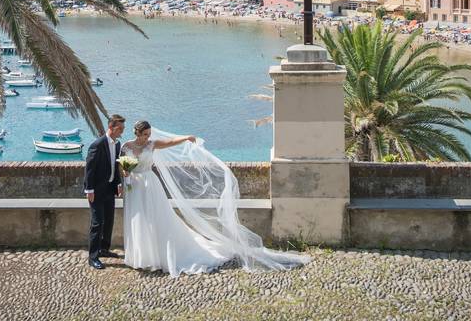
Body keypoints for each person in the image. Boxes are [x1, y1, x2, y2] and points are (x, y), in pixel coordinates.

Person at [120, 120, 309, 277]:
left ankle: (159, 255)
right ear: (137, 133)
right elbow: (121, 167)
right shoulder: (126, 147)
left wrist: (186, 137)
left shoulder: (152, 145)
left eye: (149, 134)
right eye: (145, 135)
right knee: (139, 220)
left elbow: (171, 142)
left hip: (151, 186)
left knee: (157, 218)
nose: (147, 138)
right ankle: (142, 257)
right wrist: (125, 175)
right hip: (134, 187)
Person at [84, 114, 125, 270]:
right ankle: (93, 257)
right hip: (96, 191)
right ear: (111, 127)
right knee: (97, 223)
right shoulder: (97, 144)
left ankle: (104, 249)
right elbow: (89, 169)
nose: (121, 131)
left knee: (109, 221)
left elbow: (115, 167)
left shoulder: (117, 144)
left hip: (110, 189)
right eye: (119, 128)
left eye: (123, 128)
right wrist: (89, 189)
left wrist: (118, 183)